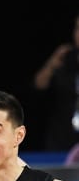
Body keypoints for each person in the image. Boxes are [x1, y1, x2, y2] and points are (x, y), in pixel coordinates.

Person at [32, 12, 79, 152]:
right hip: (62, 136)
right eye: (77, 28)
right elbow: (39, 85)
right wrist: (52, 63)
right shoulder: (65, 58)